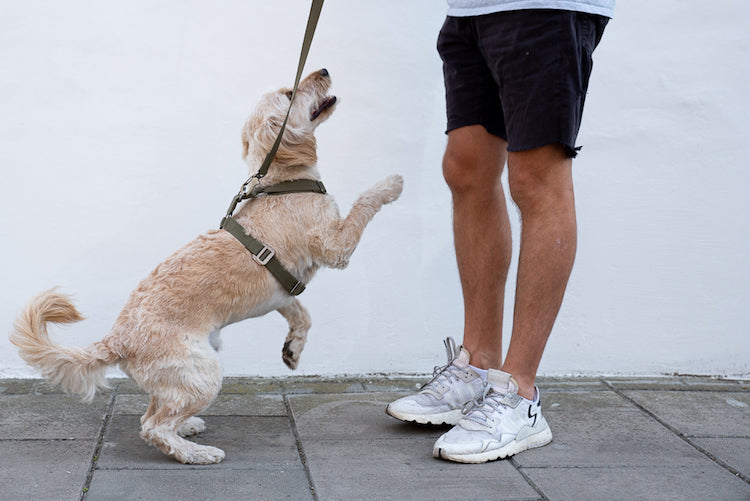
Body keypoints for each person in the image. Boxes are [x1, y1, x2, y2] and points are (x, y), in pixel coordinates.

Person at [386, 1, 614, 463]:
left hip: (543, 8)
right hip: (473, 10)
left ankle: (519, 393)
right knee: (466, 169)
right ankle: (478, 364)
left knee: (536, 179)